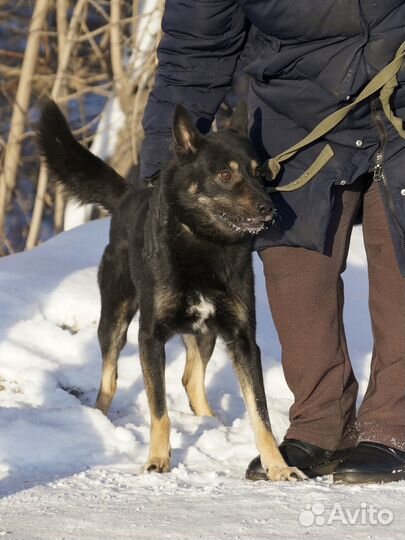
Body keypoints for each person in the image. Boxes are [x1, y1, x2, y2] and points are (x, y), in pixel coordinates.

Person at [139, 1, 405, 483]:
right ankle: (319, 426)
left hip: (401, 94)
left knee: (401, 263)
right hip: (296, 108)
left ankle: (393, 426)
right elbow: (198, 42)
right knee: (295, 264)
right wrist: (164, 157)